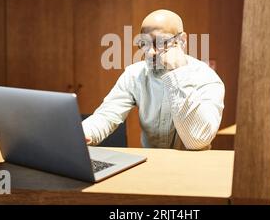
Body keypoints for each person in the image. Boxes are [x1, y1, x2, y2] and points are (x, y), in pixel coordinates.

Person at [82, 9, 225, 150]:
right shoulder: (135, 74)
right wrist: (84, 133)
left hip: (195, 168)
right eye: (144, 44)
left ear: (181, 40)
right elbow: (107, 115)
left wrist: (177, 73)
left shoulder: (207, 78)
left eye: (161, 42)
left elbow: (197, 141)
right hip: (151, 165)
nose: (150, 53)